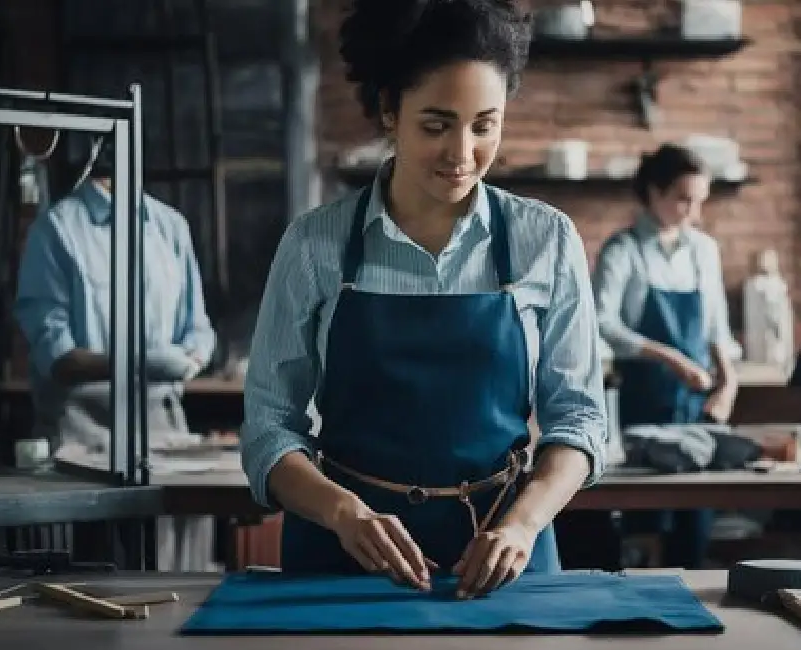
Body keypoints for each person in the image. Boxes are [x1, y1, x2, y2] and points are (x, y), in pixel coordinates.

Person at [239, 0, 607, 598]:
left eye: (485, 125)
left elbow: (580, 419)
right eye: (437, 125)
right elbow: (269, 428)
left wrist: (523, 524)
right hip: (340, 561)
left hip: (503, 561)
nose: (462, 154)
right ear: (390, 109)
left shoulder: (547, 239)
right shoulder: (315, 244)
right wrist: (343, 514)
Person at [14, 147, 219, 571]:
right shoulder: (56, 229)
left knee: (177, 569)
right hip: (81, 436)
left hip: (164, 429)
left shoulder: (170, 226)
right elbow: (59, 357)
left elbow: (198, 327)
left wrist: (192, 358)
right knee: (96, 579)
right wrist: (141, 361)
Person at [592, 143, 740, 569]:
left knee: (694, 522)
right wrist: (670, 358)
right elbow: (603, 322)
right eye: (683, 199)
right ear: (653, 193)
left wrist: (728, 381)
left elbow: (716, 327)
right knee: (643, 519)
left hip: (695, 406)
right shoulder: (623, 251)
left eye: (699, 201)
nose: (693, 212)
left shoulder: (704, 250)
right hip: (643, 401)